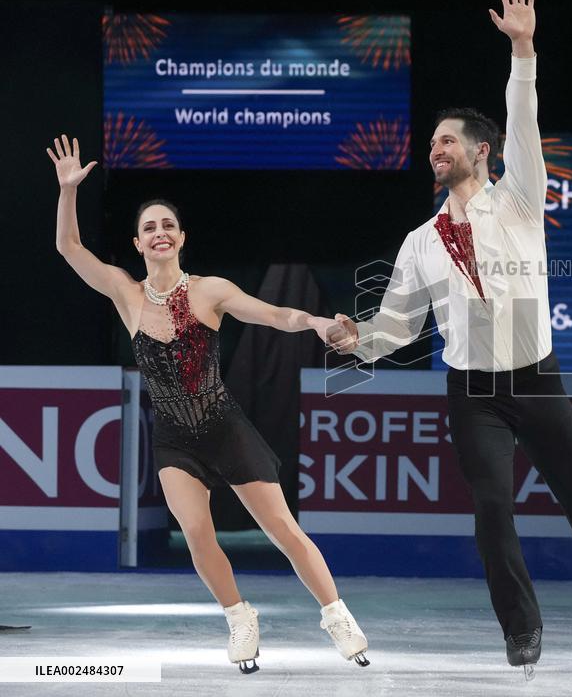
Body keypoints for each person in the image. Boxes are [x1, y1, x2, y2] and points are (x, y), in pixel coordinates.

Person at [325, 0, 572, 676]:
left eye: (447, 141)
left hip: (539, 377)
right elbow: (397, 327)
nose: (436, 149)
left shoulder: (520, 199)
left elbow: (523, 119)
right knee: (492, 506)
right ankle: (520, 628)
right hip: (474, 390)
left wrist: (523, 50)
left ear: (482, 152)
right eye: (432, 142)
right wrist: (356, 339)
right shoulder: (420, 239)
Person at [48, 135, 369, 673]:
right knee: (197, 533)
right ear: (137, 242)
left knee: (283, 530)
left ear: (181, 238)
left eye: (167, 225)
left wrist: (317, 322)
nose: (159, 233)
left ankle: (336, 614)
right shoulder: (126, 294)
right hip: (175, 439)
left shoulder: (211, 290)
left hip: (224, 427)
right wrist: (67, 192)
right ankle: (240, 617)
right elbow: (68, 249)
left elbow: (274, 315)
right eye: (149, 227)